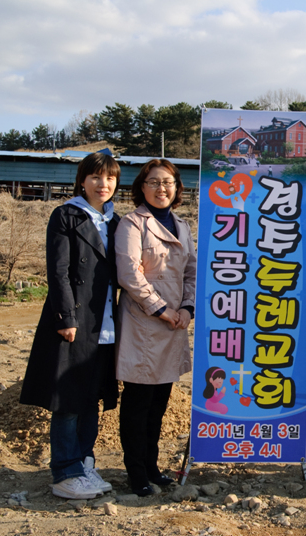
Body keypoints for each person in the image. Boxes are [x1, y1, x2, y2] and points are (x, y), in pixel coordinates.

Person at [20, 153, 121, 500]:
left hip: (104, 322)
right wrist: (65, 318)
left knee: (91, 397)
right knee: (67, 399)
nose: (103, 184)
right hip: (75, 321)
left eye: (110, 178)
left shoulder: (115, 221)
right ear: (82, 181)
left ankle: (84, 461)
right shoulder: (66, 215)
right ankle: (65, 472)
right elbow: (58, 271)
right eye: (95, 177)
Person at [115, 159, 197, 496]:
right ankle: (136, 472)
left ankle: (152, 466)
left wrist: (187, 308)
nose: (161, 188)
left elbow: (191, 271)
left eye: (168, 182)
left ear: (177, 188)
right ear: (142, 186)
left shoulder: (182, 225)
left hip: (174, 324)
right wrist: (162, 310)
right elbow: (129, 274)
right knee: (138, 402)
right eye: (154, 182)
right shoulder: (132, 223)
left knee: (159, 403)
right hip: (144, 323)